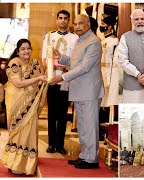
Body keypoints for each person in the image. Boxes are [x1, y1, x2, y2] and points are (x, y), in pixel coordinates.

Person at [49, 14, 104, 169]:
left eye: (81, 23)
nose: (77, 26)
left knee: (89, 126)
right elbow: (75, 62)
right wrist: (61, 57)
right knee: (82, 125)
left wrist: (62, 78)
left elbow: (85, 67)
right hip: (79, 89)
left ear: (88, 24)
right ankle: (84, 156)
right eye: (75, 24)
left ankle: (91, 159)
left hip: (89, 90)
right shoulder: (81, 40)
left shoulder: (94, 42)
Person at [1, 39, 47, 175]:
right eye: (23, 49)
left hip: (30, 104)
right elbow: (18, 83)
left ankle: (26, 162)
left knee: (30, 130)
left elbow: (44, 77)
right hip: (16, 102)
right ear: (17, 51)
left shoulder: (34, 63)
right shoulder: (14, 63)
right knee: (18, 131)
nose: (26, 51)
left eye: (28, 48)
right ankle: (15, 163)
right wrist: (38, 79)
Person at [41, 10, 78, 154]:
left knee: (63, 113)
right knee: (52, 113)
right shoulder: (49, 36)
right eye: (60, 18)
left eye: (65, 18)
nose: (62, 21)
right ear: (57, 20)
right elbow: (45, 58)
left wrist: (65, 69)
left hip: (66, 79)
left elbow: (75, 60)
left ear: (69, 21)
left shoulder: (74, 38)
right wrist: (53, 67)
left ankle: (60, 144)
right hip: (51, 78)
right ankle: (51, 144)